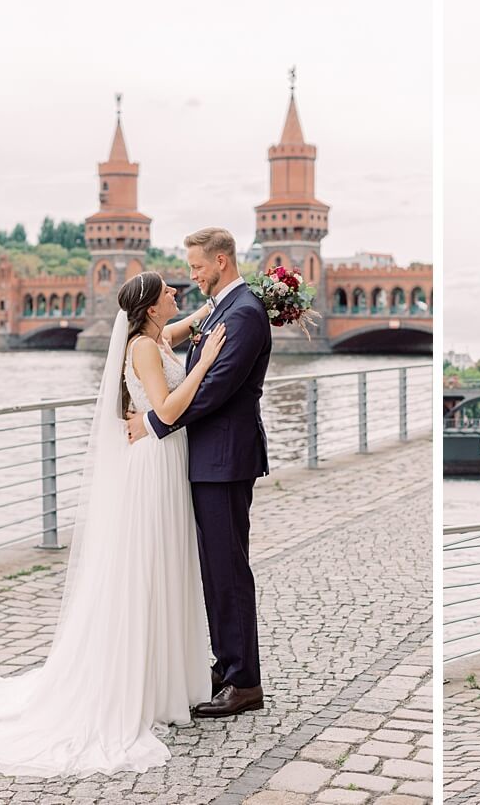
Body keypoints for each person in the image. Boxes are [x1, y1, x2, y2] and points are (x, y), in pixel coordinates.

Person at [0, 273, 224, 776]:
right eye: (171, 293)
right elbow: (169, 408)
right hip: (154, 461)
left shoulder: (154, 338)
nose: (179, 294)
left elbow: (178, 333)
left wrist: (207, 314)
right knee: (148, 567)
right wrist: (208, 362)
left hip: (164, 461)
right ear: (151, 307)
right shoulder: (144, 349)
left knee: (164, 566)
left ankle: (163, 680)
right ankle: (145, 686)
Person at [127, 226, 271, 718]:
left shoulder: (246, 313)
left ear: (222, 262)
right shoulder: (226, 307)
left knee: (227, 570)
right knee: (214, 569)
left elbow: (216, 389)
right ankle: (227, 665)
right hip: (207, 456)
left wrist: (154, 421)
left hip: (225, 459)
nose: (191, 276)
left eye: (197, 267)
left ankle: (244, 682)